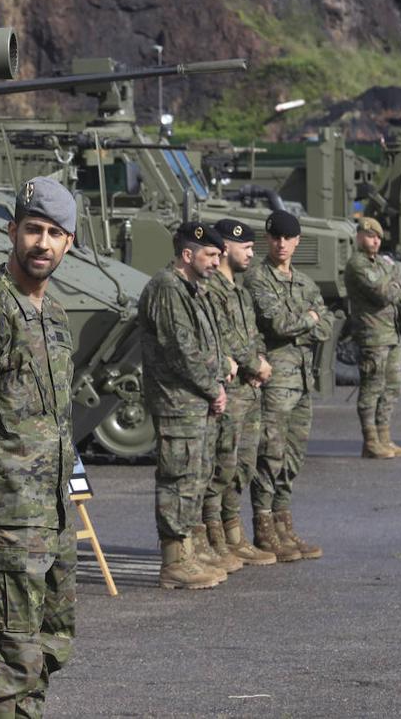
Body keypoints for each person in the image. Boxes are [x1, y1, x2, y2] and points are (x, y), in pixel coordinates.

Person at [0, 176, 79, 717]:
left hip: (51, 509)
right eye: (33, 229)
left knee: (51, 642)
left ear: (69, 242)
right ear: (12, 232)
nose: (42, 243)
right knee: (9, 657)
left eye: (55, 233)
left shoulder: (55, 316)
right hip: (4, 512)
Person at [137, 221, 232, 590]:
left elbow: (206, 347)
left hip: (195, 399)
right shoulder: (167, 287)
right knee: (178, 478)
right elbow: (181, 351)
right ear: (187, 254)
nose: (215, 262)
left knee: (195, 475)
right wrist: (213, 388)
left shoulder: (191, 289)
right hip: (178, 400)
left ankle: (189, 552)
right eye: (210, 254)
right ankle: (174, 562)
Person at [244, 209, 335, 562]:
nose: (282, 244)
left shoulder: (305, 283)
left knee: (293, 456)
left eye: (288, 238)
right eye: (276, 237)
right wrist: (310, 319)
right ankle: (264, 528)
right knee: (270, 454)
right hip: (275, 381)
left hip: (301, 380)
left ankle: (284, 523)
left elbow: (328, 327)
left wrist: (310, 321)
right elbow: (278, 324)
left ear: (298, 241)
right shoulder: (258, 279)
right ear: (269, 239)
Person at [202, 218, 276, 567]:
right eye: (245, 247)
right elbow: (223, 337)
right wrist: (253, 364)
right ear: (226, 247)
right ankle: (214, 535)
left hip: (250, 390)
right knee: (222, 465)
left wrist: (260, 360)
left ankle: (234, 534)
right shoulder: (212, 288)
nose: (251, 253)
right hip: (232, 391)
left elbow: (254, 333)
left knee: (244, 465)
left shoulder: (241, 290)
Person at [343, 217, 401, 459]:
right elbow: (384, 293)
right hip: (373, 335)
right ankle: (370, 440)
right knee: (372, 387)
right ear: (360, 236)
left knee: (392, 387)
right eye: (371, 236)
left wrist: (395, 284)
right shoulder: (357, 264)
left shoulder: (382, 263)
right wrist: (396, 285)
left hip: (391, 333)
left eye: (378, 238)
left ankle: (384, 436)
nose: (375, 241)